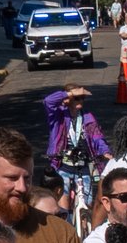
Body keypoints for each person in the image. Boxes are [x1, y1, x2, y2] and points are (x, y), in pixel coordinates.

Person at [43, 85, 111, 217]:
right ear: (67, 99)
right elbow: (48, 101)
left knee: (88, 203)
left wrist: (105, 151)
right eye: (76, 98)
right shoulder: (58, 116)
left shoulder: (88, 117)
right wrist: (67, 94)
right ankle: (66, 229)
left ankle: (85, 230)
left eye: (82, 98)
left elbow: (97, 137)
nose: (80, 100)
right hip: (63, 166)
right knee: (63, 204)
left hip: (83, 166)